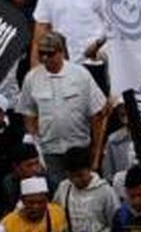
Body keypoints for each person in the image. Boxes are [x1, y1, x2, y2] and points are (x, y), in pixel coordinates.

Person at [18, 33, 108, 185]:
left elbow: (97, 115)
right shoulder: (32, 78)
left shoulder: (80, 74)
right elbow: (29, 114)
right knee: (58, 194)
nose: (45, 58)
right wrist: (35, 144)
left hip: (79, 148)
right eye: (42, 54)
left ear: (61, 53)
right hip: (50, 152)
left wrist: (96, 152)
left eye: (50, 54)